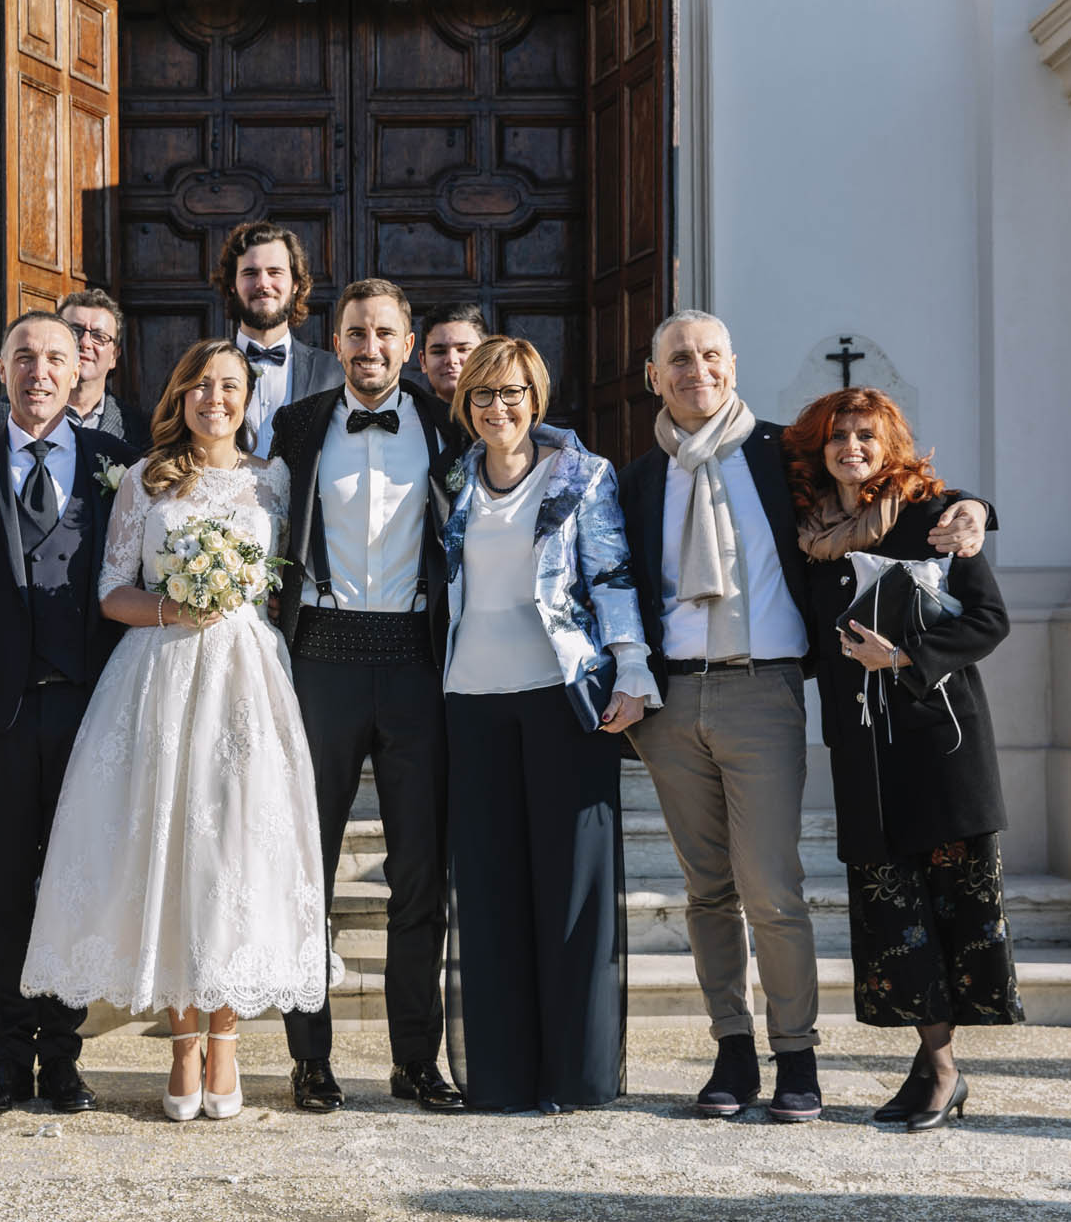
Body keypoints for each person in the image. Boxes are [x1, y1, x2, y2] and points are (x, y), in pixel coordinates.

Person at [616, 309, 992, 1123]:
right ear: (654, 376)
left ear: (733, 364)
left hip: (764, 690)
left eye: (711, 355)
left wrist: (975, 506)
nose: (696, 370)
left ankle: (796, 1054)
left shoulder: (786, 453)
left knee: (771, 887)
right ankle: (731, 1049)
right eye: (678, 358)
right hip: (671, 703)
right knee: (706, 891)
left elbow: (893, 481)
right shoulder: (638, 478)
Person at [20, 338, 328, 1122]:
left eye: (230, 386)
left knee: (233, 853)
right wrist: (174, 606)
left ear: (247, 399)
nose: (215, 398)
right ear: (179, 396)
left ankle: (226, 1037)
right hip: (159, 676)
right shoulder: (145, 478)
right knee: (168, 851)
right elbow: (110, 589)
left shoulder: (274, 480)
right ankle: (182, 1039)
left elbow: (286, 581)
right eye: (200, 385)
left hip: (246, 681)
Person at [782, 387, 1022, 1131]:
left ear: (889, 443)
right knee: (894, 914)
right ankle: (936, 1064)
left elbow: (989, 620)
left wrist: (905, 657)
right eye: (836, 436)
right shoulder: (810, 535)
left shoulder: (934, 517)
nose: (850, 447)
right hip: (863, 751)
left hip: (940, 742)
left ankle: (941, 1070)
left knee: (950, 909)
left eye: (865, 434)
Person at [0, 311, 136, 1117]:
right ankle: (9, 1059)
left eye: (55, 358)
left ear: (81, 369)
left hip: (89, 713)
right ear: (1, 368)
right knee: (5, 889)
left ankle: (64, 1056)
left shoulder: (115, 461)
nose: (39, 372)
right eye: (24, 357)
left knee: (73, 886)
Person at [432, 336, 649, 1113]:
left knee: (571, 889)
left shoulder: (582, 475)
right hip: (470, 696)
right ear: (467, 404)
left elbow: (612, 573)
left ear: (536, 398)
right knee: (489, 889)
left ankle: (573, 1075)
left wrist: (632, 667)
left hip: (562, 695)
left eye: (513, 392)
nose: (499, 407)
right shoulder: (450, 478)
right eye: (484, 394)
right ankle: (503, 1075)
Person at [271, 277, 466, 1114]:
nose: (370, 347)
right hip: (320, 660)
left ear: (408, 342)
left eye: (385, 333)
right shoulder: (297, 425)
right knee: (304, 865)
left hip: (416, 661)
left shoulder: (447, 426)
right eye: (356, 333)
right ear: (337, 341)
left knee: (420, 871)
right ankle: (309, 1057)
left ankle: (415, 1058)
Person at [211, 220, 344, 454]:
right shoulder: (202, 369)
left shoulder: (334, 372)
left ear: (295, 283)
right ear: (232, 284)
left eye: (275, 272)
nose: (263, 284)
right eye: (250, 273)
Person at [0, 288, 152, 452]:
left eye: (99, 336)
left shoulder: (139, 427)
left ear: (114, 355)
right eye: (75, 331)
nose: (85, 343)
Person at [419, 302, 486, 404]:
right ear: (423, 361)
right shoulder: (406, 413)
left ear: (485, 356)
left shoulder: (505, 412)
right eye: (439, 352)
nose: (451, 360)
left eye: (463, 349)